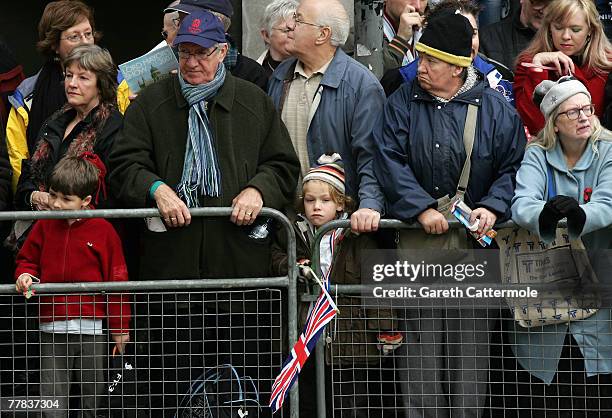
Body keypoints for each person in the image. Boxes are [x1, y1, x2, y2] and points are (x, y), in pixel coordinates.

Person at [107, 12, 299, 414]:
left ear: (224, 52)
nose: (191, 62)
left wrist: (256, 190)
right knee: (173, 384)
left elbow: (282, 166)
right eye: (184, 53)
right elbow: (125, 166)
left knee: (240, 383)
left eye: (201, 53)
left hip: (240, 275)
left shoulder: (253, 101)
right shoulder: (151, 105)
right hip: (171, 275)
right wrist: (157, 189)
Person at [373, 13, 526, 417]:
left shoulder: (496, 108)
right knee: (419, 357)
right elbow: (388, 158)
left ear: (458, 68)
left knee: (470, 356)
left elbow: (513, 167)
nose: (420, 68)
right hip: (418, 244)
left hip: (474, 246)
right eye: (421, 58)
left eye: (431, 62)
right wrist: (419, 207)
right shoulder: (401, 101)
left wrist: (493, 205)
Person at [510, 76, 612, 414]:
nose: (584, 117)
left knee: (596, 391)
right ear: (555, 123)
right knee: (549, 397)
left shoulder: (608, 149)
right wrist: (547, 213)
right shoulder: (538, 154)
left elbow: (609, 201)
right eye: (573, 112)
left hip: (598, 283)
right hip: (548, 290)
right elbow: (522, 202)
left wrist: (579, 216)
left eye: (587, 109)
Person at [270, 154, 400, 417]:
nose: (316, 206)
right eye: (309, 200)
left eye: (325, 200)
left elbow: (377, 284)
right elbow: (275, 257)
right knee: (308, 401)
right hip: (307, 337)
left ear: (341, 204)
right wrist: (295, 265)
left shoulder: (357, 238)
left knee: (351, 404)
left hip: (351, 340)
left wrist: (386, 327)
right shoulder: (293, 231)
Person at [14, 154, 131, 418]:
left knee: (94, 394)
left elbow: (117, 281)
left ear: (86, 201)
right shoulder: (43, 226)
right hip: (51, 325)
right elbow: (27, 260)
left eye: (66, 199)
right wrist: (25, 276)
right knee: (52, 395)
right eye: (53, 195)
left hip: (92, 328)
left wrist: (120, 328)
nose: (56, 204)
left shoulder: (103, 231)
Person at [268, 0, 385, 233]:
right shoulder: (282, 75)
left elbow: (371, 156)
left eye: (298, 19)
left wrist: (370, 205)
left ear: (323, 34)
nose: (289, 25)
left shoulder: (360, 85)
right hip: (287, 222)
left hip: (341, 226)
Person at [5, 0, 129, 193]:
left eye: (88, 34)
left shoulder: (121, 84)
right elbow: (18, 162)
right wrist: (33, 199)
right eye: (74, 37)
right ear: (54, 44)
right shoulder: (27, 96)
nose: (85, 42)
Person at [15, 44, 122, 212]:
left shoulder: (112, 126)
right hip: (39, 225)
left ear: (101, 85)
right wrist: (34, 196)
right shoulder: (54, 120)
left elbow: (112, 192)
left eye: (83, 78)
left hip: (85, 230)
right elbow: (26, 177)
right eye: (69, 75)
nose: (72, 83)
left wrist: (63, 202)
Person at [381, 0, 514, 105]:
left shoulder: (496, 79)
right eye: (458, 35)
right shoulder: (404, 81)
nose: (468, 43)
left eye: (473, 34)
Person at [514, 0, 612, 137]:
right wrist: (538, 67)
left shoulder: (607, 64)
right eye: (559, 28)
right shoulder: (529, 63)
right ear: (549, 28)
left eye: (575, 29)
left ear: (590, 30)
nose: (566, 36)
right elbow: (536, 126)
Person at [166, 0, 270, 90]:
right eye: (179, 21)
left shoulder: (251, 75)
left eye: (201, 52)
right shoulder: (168, 66)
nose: (179, 29)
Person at [479, 0, 552, 75]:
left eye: (552, 4)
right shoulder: (487, 37)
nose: (544, 10)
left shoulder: (562, 41)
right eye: (539, 2)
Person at [383, 0, 427, 73]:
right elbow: (375, 80)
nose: (418, 6)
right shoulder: (365, 32)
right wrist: (401, 40)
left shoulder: (431, 27)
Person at [257, 0, 298, 78]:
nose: (293, 35)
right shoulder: (254, 74)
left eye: (297, 29)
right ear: (266, 35)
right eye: (287, 30)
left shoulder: (310, 70)